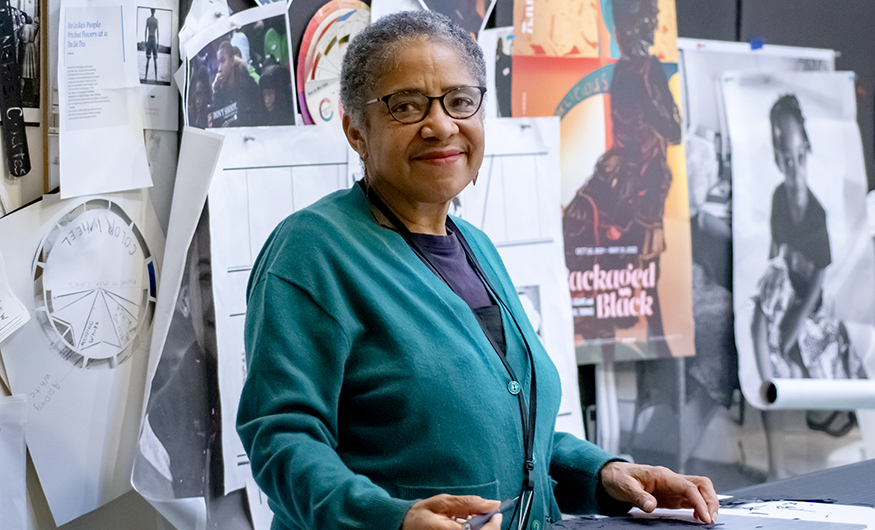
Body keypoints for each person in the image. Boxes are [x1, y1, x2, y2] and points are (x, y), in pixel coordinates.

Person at [237, 11, 718, 530]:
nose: (441, 124)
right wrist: (391, 520)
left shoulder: (478, 249)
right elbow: (282, 436)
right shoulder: (312, 252)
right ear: (357, 131)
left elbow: (511, 430)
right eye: (406, 106)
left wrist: (606, 473)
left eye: (460, 101)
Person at [562, 0, 681, 360]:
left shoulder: (649, 69)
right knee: (579, 218)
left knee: (641, 265)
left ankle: (655, 340)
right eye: (621, 25)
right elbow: (623, 131)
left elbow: (673, 130)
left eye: (632, 24)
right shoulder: (623, 70)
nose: (625, 33)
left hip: (645, 180)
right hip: (620, 171)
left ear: (644, 26)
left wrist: (649, 92)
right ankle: (601, 330)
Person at [751, 94, 866, 451]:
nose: (793, 164)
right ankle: (767, 419)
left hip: (811, 303)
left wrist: (790, 329)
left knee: (811, 345)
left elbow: (818, 284)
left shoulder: (816, 213)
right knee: (758, 320)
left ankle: (832, 417)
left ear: (806, 150)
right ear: (775, 155)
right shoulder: (776, 199)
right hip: (786, 287)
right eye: (784, 156)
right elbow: (776, 255)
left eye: (798, 155)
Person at [210, 40, 261, 127]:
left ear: (232, 61)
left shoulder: (249, 87)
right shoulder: (217, 94)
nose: (219, 68)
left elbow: (260, 119)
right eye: (218, 62)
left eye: (223, 61)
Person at [144, 8, 159, 82]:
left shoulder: (151, 20)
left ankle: (154, 77)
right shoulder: (151, 20)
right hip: (151, 38)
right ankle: (147, 77)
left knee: (153, 59)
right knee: (150, 59)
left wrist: (145, 41)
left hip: (151, 38)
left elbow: (145, 31)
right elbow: (146, 30)